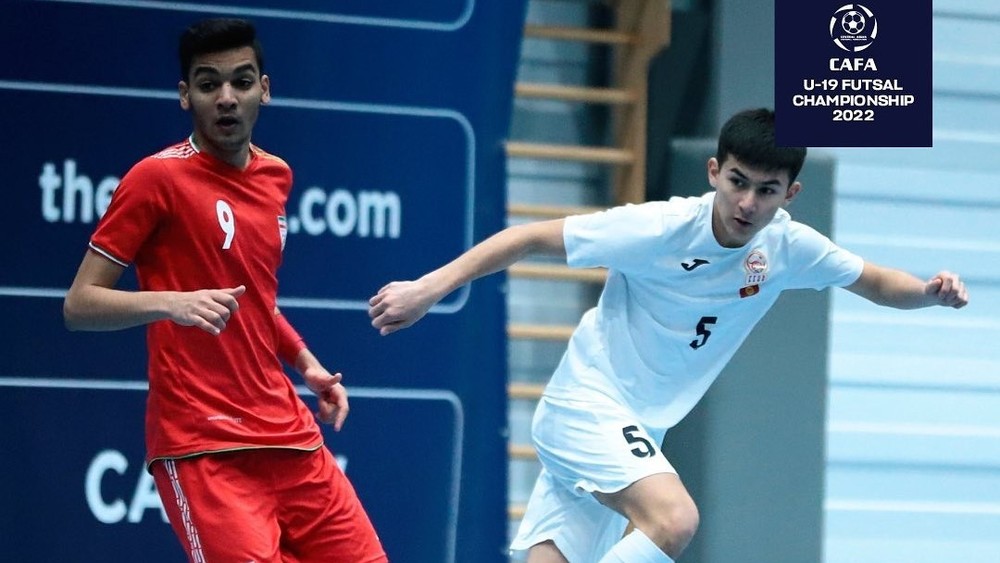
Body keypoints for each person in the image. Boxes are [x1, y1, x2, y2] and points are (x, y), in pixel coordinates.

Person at [367, 108, 968, 563]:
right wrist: (427, 288)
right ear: (714, 172)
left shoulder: (790, 248)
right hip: (588, 406)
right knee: (674, 519)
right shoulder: (658, 229)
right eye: (737, 181)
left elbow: (876, 280)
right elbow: (526, 238)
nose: (747, 202)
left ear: (790, 194)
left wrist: (927, 292)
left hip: (639, 431)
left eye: (766, 190)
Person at [64, 18, 386, 563]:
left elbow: (255, 300)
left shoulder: (276, 176)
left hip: (290, 437)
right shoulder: (155, 179)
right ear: (185, 96)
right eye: (209, 84)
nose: (227, 97)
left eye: (241, 81)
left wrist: (305, 364)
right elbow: (79, 304)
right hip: (203, 447)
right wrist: (174, 302)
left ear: (265, 88)